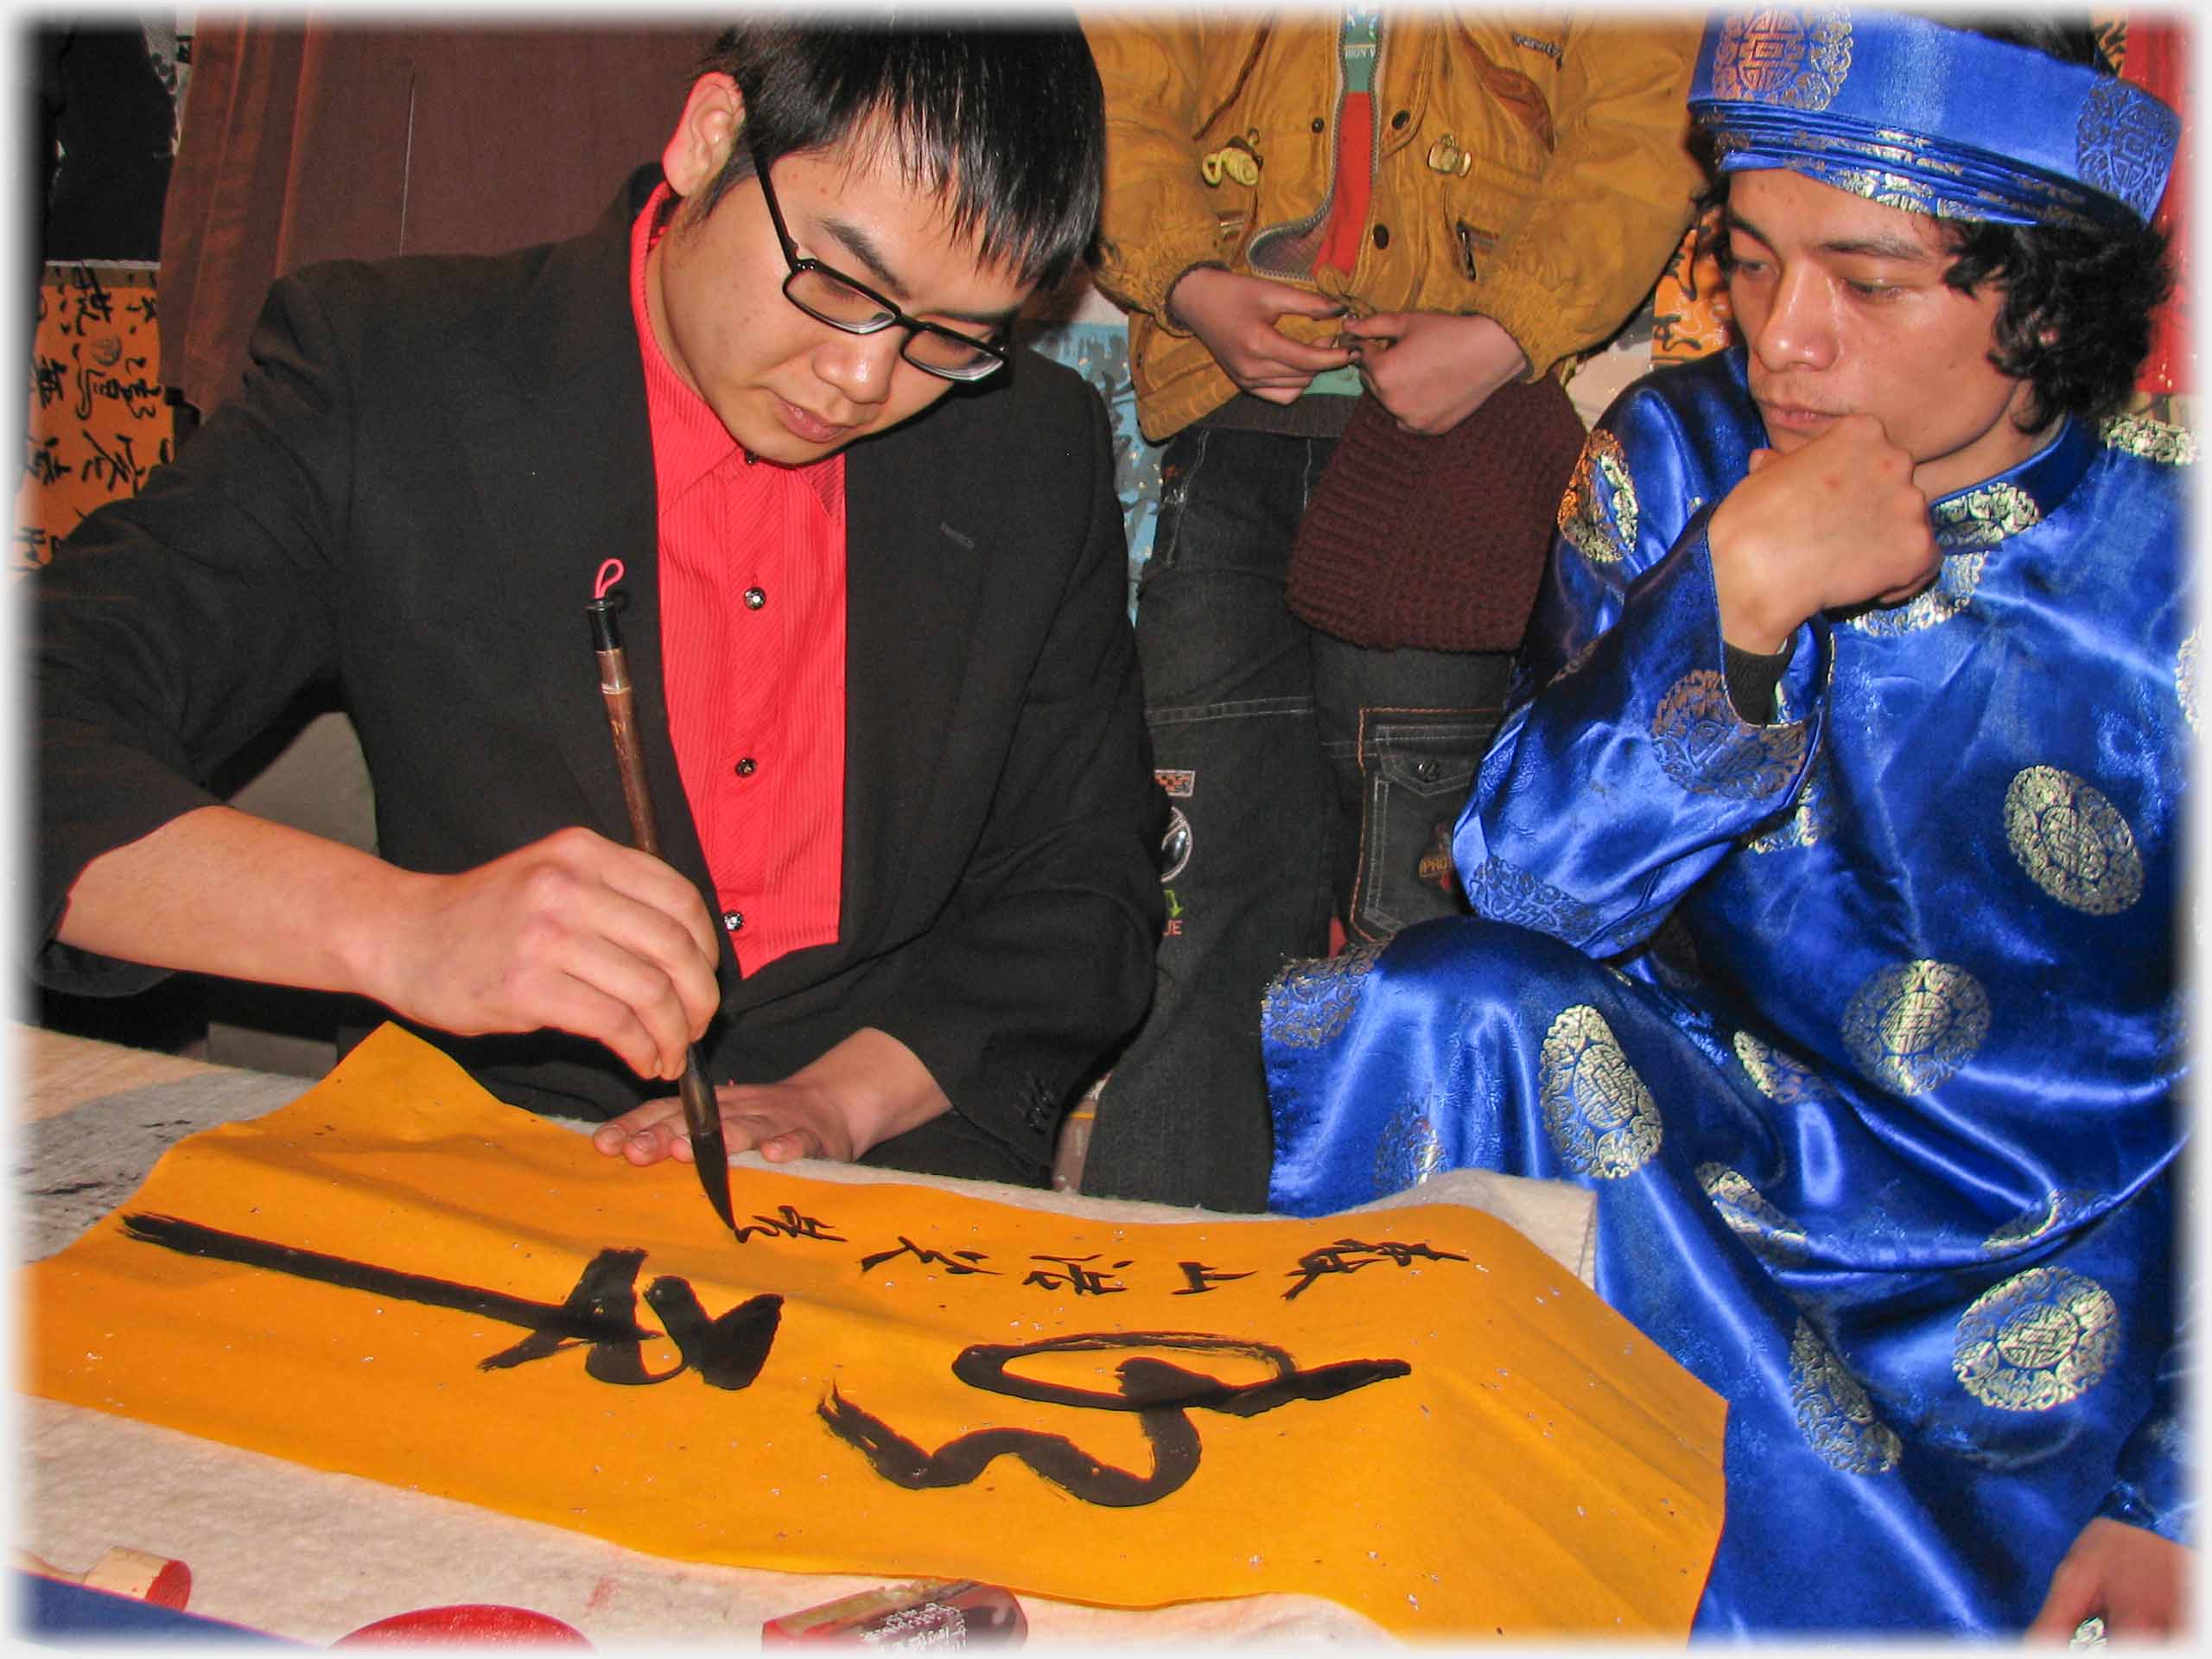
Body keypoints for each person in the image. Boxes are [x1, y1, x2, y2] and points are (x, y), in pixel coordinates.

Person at [1262, 10, 2190, 1636]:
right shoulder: (1679, 456)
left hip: (2068, 1244)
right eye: (1752, 261)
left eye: (1869, 281)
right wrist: (1732, 603)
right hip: (1724, 1165)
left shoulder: (2174, 572)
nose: (1785, 340)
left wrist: (2179, 1488)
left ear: (2044, 293)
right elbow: (1526, 897)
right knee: (1444, 1000)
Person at [28, 18, 1163, 1192]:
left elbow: (1083, 889)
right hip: (495, 1156)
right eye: (837, 282)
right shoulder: (391, 374)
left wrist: (837, 1102)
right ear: (710, 137)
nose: (867, 377)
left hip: (892, 1160)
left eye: (953, 337)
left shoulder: (1029, 449)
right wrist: (402, 932)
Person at [1077, 11, 1706, 1211]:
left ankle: (1404, 1284)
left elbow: (1641, 123)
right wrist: (1190, 282)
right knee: (1188, 902)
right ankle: (1153, 1278)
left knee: (1411, 911)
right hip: (1225, 426)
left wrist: (1510, 326)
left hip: (1457, 449)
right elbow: (1117, 91)